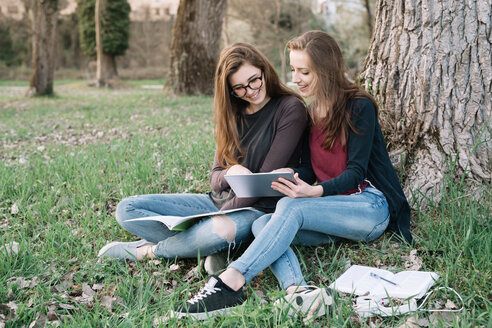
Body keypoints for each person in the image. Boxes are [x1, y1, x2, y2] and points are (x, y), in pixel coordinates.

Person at [172, 31, 413, 321]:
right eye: (294, 70)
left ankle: (230, 281)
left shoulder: (358, 106)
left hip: (369, 206)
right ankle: (297, 292)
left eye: (304, 72)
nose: (295, 79)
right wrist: (290, 175)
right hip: (332, 212)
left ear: (326, 70)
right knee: (263, 222)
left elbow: (356, 172)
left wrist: (314, 191)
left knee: (289, 207)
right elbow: (312, 169)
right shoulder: (311, 112)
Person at [97, 42, 308, 265]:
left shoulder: (289, 108)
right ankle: (204, 247)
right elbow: (215, 179)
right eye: (240, 88)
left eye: (254, 80)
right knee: (127, 209)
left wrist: (213, 219)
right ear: (229, 90)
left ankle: (148, 251)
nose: (251, 91)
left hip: (257, 210)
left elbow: (260, 185)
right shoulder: (232, 115)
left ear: (264, 70)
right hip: (215, 202)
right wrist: (230, 173)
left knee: (216, 231)